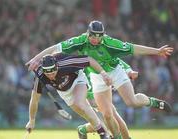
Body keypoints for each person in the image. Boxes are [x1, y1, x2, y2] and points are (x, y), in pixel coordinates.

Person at [26, 20, 173, 139]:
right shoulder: (80, 41)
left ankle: (154, 102)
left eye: (99, 36)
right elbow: (55, 48)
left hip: (115, 72)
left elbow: (133, 48)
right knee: (109, 114)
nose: (96, 39)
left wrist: (157, 51)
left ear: (103, 35)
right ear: (87, 34)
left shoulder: (110, 43)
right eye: (93, 36)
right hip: (96, 77)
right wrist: (36, 58)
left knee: (131, 102)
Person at [25, 53, 112, 139]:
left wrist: (103, 74)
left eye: (53, 72)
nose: (51, 75)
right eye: (48, 74)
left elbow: (89, 59)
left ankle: (103, 134)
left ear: (57, 66)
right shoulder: (40, 77)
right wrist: (31, 120)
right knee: (91, 119)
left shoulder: (66, 64)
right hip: (64, 92)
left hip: (77, 80)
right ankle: (83, 130)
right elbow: (34, 99)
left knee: (80, 103)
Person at [78, 59, 138, 139]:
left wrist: (128, 70)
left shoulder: (98, 51)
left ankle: (84, 129)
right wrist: (90, 97)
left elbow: (115, 59)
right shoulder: (81, 58)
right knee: (111, 117)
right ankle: (84, 129)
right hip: (93, 93)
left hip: (103, 89)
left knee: (111, 117)